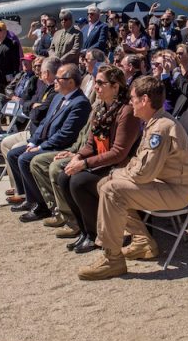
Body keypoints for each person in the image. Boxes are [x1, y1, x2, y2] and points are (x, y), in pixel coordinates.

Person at [78, 75, 188, 280]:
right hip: (161, 184)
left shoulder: (161, 128)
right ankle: (142, 241)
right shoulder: (153, 122)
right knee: (106, 183)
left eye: (133, 98)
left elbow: (142, 173)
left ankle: (112, 259)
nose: (130, 102)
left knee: (111, 188)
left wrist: (117, 173)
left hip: (175, 191)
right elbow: (139, 165)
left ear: (145, 100)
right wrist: (118, 174)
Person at [55, 65, 142, 254]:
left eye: (101, 83)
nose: (96, 87)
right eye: (96, 82)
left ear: (116, 87)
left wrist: (84, 164)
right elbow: (91, 145)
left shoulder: (126, 111)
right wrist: (77, 157)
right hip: (101, 161)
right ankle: (85, 231)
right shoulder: (100, 108)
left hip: (120, 166)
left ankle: (96, 234)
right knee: (64, 176)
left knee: (79, 181)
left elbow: (119, 152)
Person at [7, 64, 91, 219]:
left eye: (59, 79)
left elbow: (65, 135)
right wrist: (33, 143)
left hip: (62, 146)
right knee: (13, 154)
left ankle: (41, 206)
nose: (55, 82)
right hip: (46, 142)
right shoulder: (59, 97)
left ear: (71, 82)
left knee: (25, 159)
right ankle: (28, 197)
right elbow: (45, 123)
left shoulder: (80, 103)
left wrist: (40, 147)